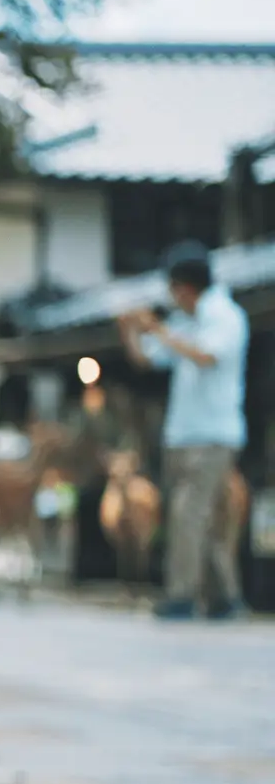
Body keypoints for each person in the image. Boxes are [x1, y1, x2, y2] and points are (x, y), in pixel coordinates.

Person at [117, 243, 250, 620]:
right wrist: (131, 331)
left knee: (188, 515)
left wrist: (157, 328)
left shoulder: (225, 317)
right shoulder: (186, 322)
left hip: (212, 436)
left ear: (185, 287)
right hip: (183, 435)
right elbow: (148, 359)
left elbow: (205, 356)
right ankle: (225, 598)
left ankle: (183, 596)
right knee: (200, 519)